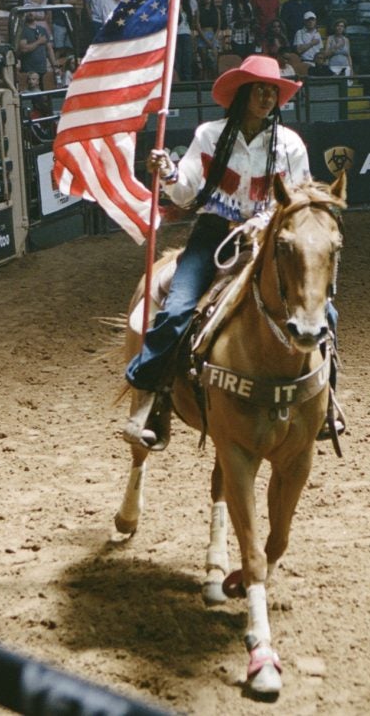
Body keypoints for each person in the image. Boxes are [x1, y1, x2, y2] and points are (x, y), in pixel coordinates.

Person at [124, 55, 311, 449]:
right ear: (242, 93)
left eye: (272, 91)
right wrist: (169, 173)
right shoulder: (209, 135)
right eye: (259, 89)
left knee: (320, 308)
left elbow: (300, 197)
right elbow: (187, 191)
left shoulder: (290, 144)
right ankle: (150, 393)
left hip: (266, 238)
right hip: (213, 233)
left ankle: (324, 406)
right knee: (177, 308)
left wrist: (269, 223)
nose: (266, 96)